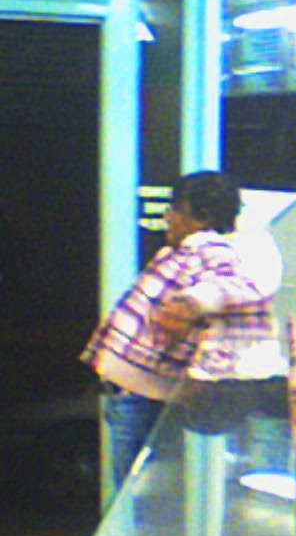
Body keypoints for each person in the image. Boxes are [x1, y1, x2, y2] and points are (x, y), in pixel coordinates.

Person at [82, 171, 285, 489]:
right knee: (134, 491)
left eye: (175, 209)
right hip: (134, 393)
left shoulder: (211, 250)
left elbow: (235, 285)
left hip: (142, 396)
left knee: (131, 497)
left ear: (200, 216)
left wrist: (194, 302)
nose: (168, 217)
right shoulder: (185, 250)